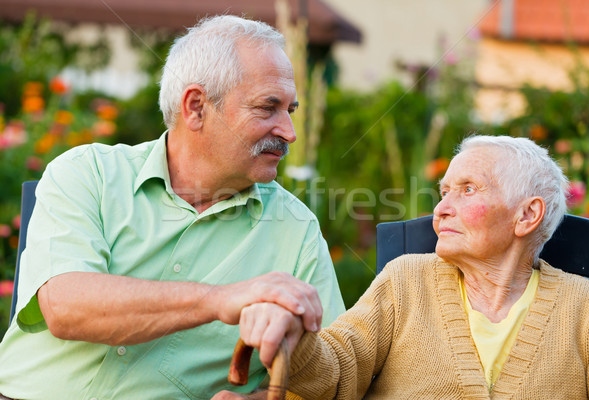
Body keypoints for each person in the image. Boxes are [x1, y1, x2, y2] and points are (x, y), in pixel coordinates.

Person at [0, 15, 345, 400]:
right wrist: (220, 299)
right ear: (196, 107)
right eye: (268, 108)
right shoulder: (87, 173)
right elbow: (65, 306)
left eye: (290, 110)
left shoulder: (296, 229)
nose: (289, 132)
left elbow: (334, 372)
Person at [223, 135, 589, 400]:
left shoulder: (588, 310)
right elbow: (338, 369)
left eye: (468, 189)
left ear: (527, 215)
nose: (441, 209)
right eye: (444, 192)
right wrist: (297, 336)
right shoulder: (405, 281)